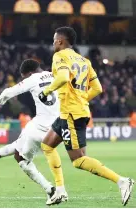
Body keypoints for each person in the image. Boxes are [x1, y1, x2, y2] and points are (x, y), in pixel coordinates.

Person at [38, 26, 134, 206]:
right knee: (47, 145)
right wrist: (82, 99)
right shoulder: (84, 61)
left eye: (54, 40)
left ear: (59, 41)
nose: (53, 43)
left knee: (78, 160)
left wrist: (46, 91)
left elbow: (64, 77)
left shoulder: (60, 56)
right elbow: (97, 88)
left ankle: (122, 181)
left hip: (72, 114)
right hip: (73, 111)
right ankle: (60, 191)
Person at [0, 59, 67, 205]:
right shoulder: (54, 75)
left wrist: (0, 99)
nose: (24, 80)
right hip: (58, 126)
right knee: (18, 148)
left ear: (29, 73)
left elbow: (11, 91)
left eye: (24, 77)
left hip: (40, 126)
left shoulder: (33, 78)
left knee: (22, 160)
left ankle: (52, 190)